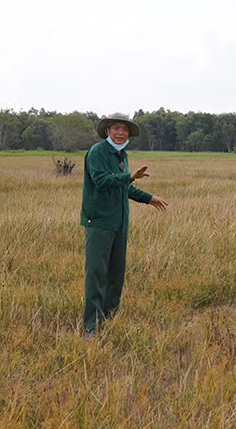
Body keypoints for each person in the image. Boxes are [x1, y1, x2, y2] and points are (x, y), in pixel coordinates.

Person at [80, 112, 168, 338]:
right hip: (99, 221)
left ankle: (109, 317)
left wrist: (149, 198)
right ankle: (91, 325)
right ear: (107, 130)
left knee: (116, 273)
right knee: (97, 274)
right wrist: (130, 176)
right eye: (116, 128)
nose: (121, 133)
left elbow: (122, 187)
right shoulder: (98, 152)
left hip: (119, 222)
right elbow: (101, 181)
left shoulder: (122, 155)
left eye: (125, 129)